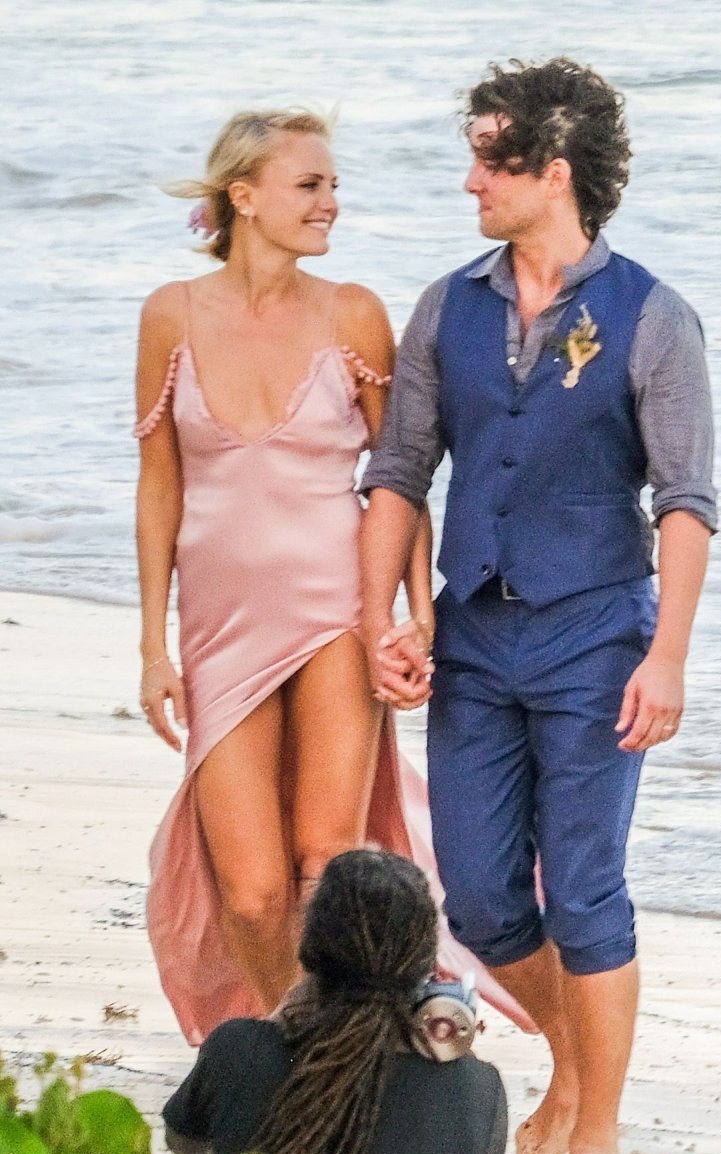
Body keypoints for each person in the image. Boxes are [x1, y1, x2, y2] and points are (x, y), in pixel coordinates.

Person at [359, 58, 717, 1154]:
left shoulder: (652, 316)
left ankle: (597, 1132)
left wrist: (667, 656)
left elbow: (685, 500)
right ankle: (573, 1052)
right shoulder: (445, 306)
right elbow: (400, 471)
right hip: (475, 634)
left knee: (585, 887)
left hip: (597, 635)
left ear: (551, 172)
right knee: (476, 895)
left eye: (489, 162)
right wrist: (383, 618)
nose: (470, 182)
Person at [135, 109, 530, 1048]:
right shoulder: (170, 314)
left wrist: (411, 611)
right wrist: (152, 643)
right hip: (220, 624)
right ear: (243, 196)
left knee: (327, 865)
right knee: (252, 889)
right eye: (309, 185)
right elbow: (158, 485)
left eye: (333, 186)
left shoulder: (351, 312)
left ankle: (329, 1058)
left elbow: (402, 475)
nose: (330, 204)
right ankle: (291, 1042)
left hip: (336, 613)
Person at [163, 849, 506, 1154]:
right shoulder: (478, 1087)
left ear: (309, 949)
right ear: (424, 964)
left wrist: (278, 1018)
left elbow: (184, 1146)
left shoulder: (238, 1049)